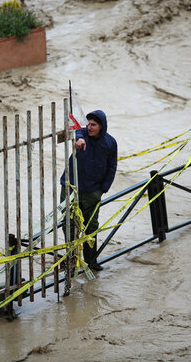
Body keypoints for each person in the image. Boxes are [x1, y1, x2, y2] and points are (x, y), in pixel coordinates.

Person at [60, 110, 117, 271]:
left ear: (102, 126)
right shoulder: (82, 133)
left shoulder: (110, 143)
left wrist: (103, 190)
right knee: (69, 226)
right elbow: (76, 130)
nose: (90, 127)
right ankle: (71, 261)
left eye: (94, 125)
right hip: (70, 188)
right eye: (88, 123)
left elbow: (112, 167)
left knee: (91, 227)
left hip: (93, 192)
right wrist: (79, 138)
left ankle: (91, 261)